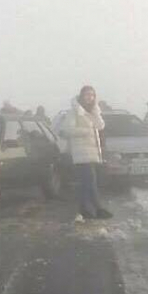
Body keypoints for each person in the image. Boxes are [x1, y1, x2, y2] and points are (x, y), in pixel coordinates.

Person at [60, 86, 113, 220]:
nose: (90, 97)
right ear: (81, 96)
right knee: (91, 181)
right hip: (81, 152)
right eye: (87, 95)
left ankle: (84, 210)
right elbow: (67, 130)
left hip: (93, 152)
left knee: (86, 182)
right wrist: (86, 131)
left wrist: (96, 112)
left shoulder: (93, 110)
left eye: (92, 95)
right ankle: (98, 208)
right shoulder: (74, 112)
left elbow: (101, 126)